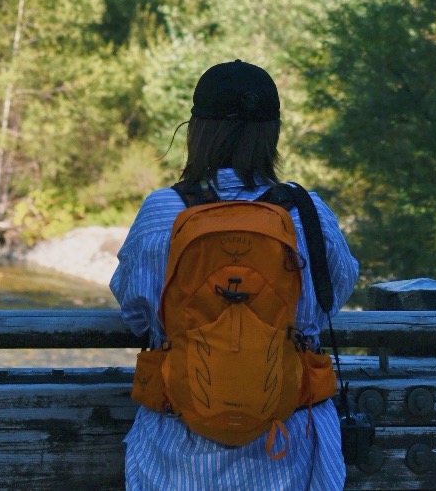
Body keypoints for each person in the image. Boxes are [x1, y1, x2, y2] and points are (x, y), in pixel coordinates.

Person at [111, 59, 359, 491]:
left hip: (178, 447)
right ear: (272, 134)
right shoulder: (309, 214)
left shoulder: (161, 213)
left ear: (196, 131)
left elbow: (137, 311)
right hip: (286, 447)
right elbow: (328, 301)